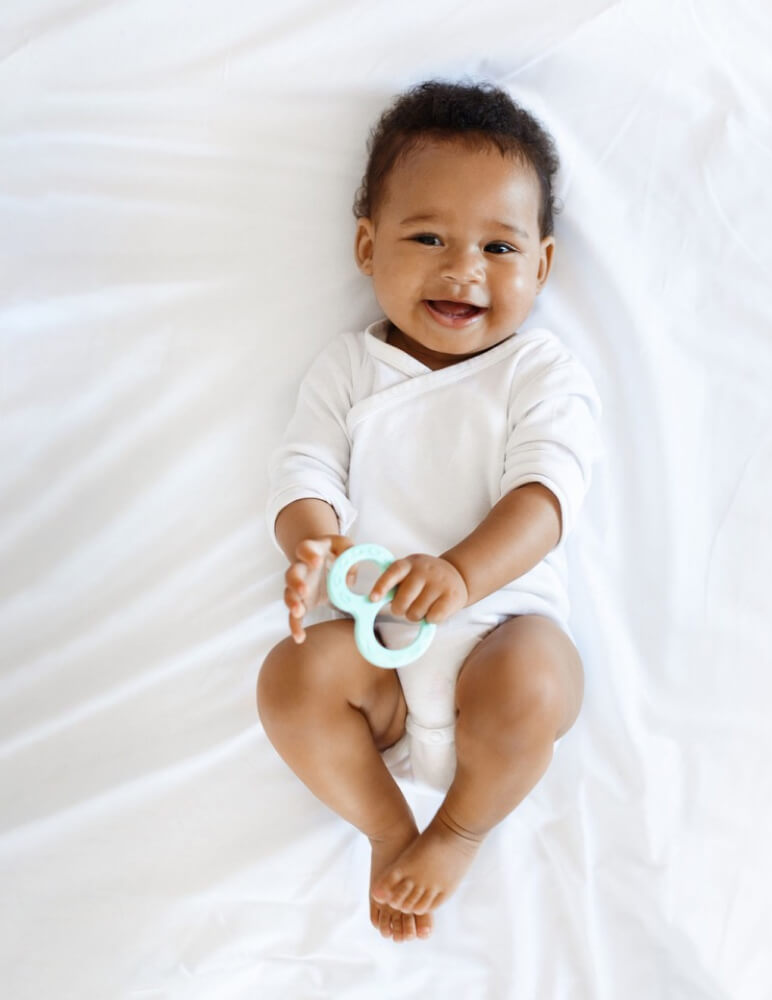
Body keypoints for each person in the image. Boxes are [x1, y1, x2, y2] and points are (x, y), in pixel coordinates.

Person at [257, 79, 600, 943]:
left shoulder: (538, 371)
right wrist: (311, 547)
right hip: (378, 658)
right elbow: (305, 472)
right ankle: (386, 828)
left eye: (498, 247)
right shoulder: (348, 369)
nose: (463, 269)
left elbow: (548, 495)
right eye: (427, 237)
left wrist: (460, 573)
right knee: (289, 683)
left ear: (543, 266)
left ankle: (458, 830)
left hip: (498, 631)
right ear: (368, 247)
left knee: (539, 680)